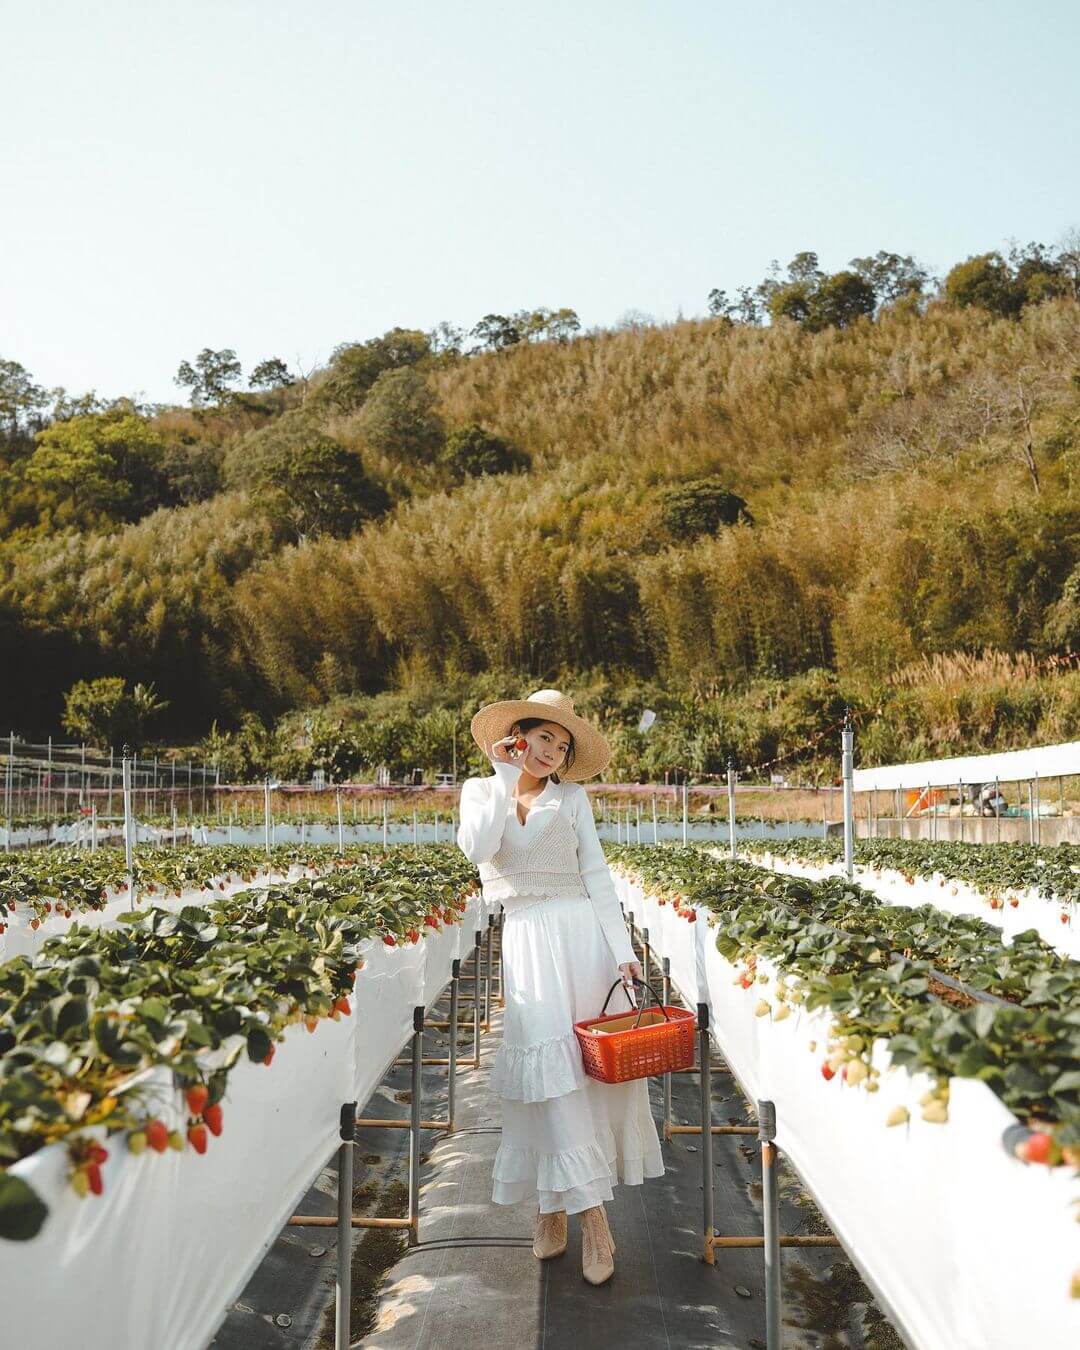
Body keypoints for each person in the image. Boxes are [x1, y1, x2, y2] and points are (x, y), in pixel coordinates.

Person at [456, 688, 665, 1286]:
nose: (552, 751)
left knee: (584, 1075)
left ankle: (587, 1218)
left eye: (562, 744)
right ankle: (563, 1207)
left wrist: (623, 953)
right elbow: (478, 847)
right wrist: (501, 773)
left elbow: (596, 875)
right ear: (518, 734)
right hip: (525, 942)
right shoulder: (480, 791)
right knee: (548, 1078)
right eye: (544, 737)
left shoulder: (572, 799)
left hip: (581, 939)